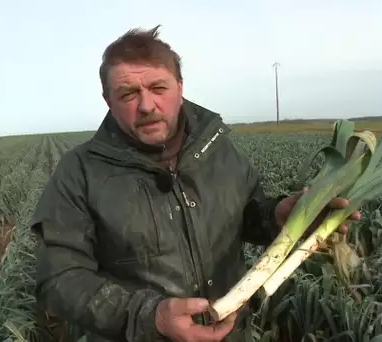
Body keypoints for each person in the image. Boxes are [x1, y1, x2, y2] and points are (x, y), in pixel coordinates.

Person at [29, 25, 361, 342]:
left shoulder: (215, 147)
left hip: (233, 333)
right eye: (128, 94)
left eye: (158, 88)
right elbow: (59, 279)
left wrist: (277, 216)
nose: (146, 106)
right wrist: (151, 317)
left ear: (180, 87)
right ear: (108, 101)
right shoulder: (79, 172)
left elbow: (248, 215)